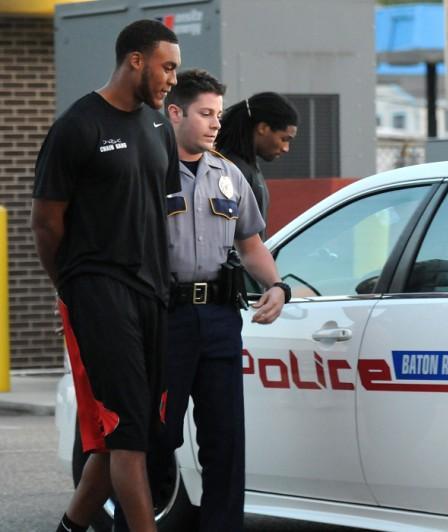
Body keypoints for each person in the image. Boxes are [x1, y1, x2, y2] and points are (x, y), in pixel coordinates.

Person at [31, 19, 181, 532]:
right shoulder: (78, 126)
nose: (171, 79)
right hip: (97, 291)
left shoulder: (158, 126)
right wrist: (70, 290)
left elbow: (159, 213)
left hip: (152, 294)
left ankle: (70, 528)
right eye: (167, 67)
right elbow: (46, 223)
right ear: (135, 61)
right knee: (129, 437)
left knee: (127, 436)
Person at [158, 69, 289, 532]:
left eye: (217, 113)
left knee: (225, 441)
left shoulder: (228, 174)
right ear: (175, 112)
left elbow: (250, 245)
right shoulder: (145, 171)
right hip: (163, 319)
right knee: (157, 436)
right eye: (205, 113)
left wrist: (277, 287)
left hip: (217, 318)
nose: (215, 123)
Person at [215, 91, 298, 239]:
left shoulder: (248, 167)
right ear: (263, 128)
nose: (286, 148)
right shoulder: (231, 170)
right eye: (284, 138)